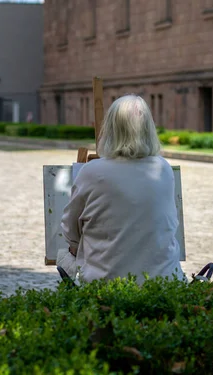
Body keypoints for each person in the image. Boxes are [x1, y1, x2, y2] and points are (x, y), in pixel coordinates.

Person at [58, 94, 186, 285]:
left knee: (64, 256)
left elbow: (70, 231)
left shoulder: (92, 171)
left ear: (110, 129)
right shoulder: (163, 168)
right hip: (164, 282)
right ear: (148, 129)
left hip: (106, 284)